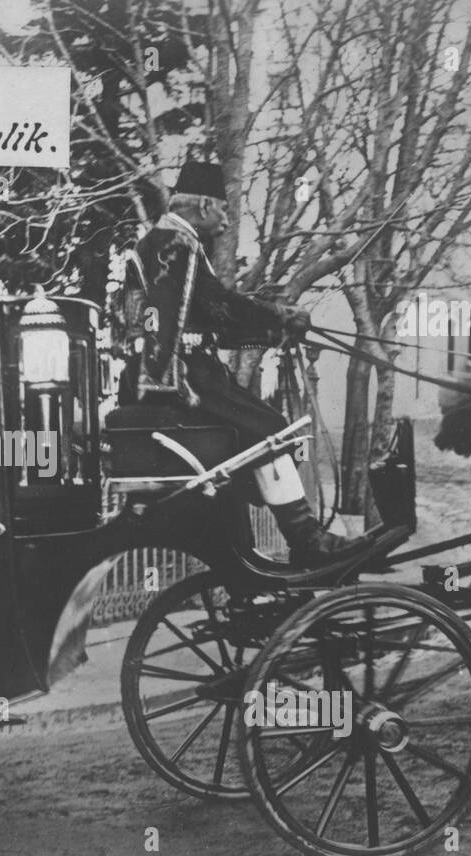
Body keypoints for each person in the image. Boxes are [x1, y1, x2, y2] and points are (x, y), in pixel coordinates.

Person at [122, 160, 367, 567]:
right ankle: (307, 540)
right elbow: (219, 306)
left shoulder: (157, 243)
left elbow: (203, 316)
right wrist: (278, 317)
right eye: (223, 210)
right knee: (269, 431)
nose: (225, 221)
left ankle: (248, 558)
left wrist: (271, 327)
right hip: (185, 378)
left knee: (240, 453)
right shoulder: (176, 244)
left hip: (166, 374)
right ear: (203, 204)